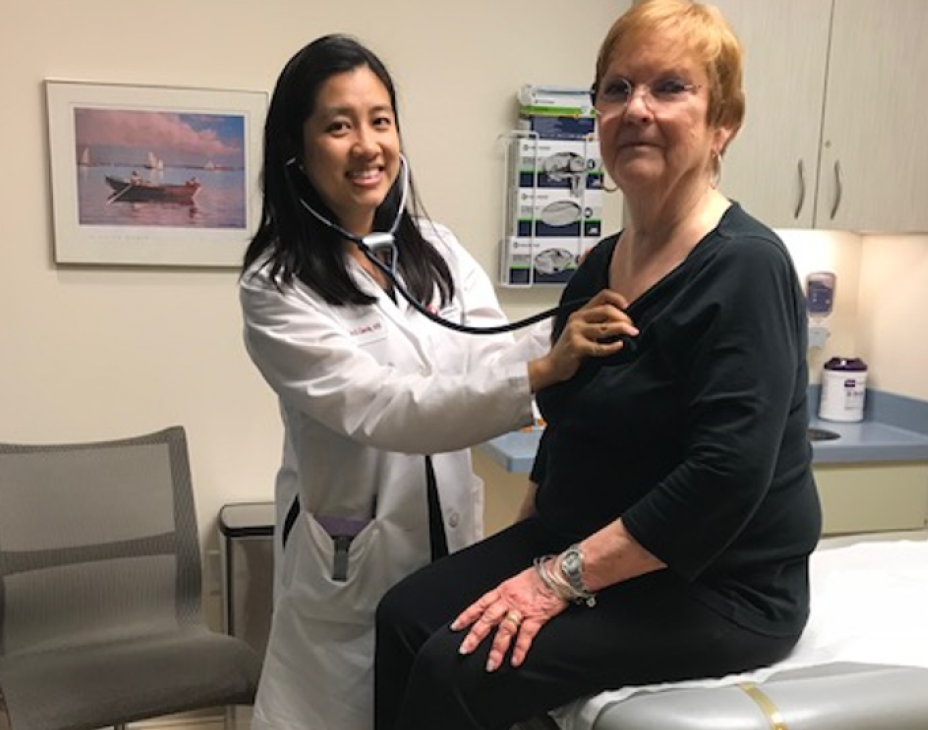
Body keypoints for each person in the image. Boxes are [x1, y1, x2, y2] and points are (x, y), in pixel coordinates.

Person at [373, 2, 823, 729]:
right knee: (402, 617)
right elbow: (571, 414)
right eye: (616, 89)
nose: (635, 109)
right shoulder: (597, 267)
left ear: (723, 123)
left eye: (670, 87)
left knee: (455, 668)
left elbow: (724, 477)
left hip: (716, 585)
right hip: (591, 545)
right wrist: (532, 533)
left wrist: (551, 582)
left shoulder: (745, 268)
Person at [238, 34, 636, 730]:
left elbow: (491, 352)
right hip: (350, 570)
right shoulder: (277, 287)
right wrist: (544, 370)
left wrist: (575, 324)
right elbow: (386, 409)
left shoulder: (436, 251)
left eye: (381, 119)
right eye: (339, 124)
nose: (368, 145)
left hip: (447, 552)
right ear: (296, 152)